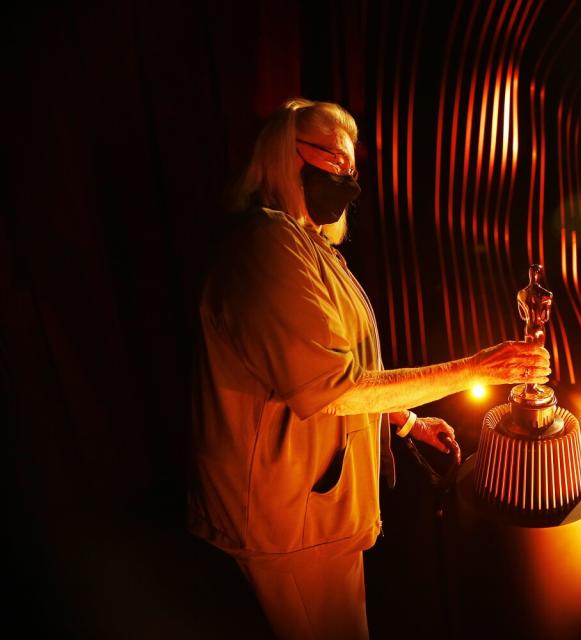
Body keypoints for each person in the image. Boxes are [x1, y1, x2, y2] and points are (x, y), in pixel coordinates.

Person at [187, 98, 550, 639]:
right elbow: (329, 388)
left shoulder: (304, 244)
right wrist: (480, 368)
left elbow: (341, 366)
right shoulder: (267, 245)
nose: (348, 179)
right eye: (334, 159)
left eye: (352, 166)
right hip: (287, 520)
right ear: (285, 154)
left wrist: (407, 421)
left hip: (316, 509)